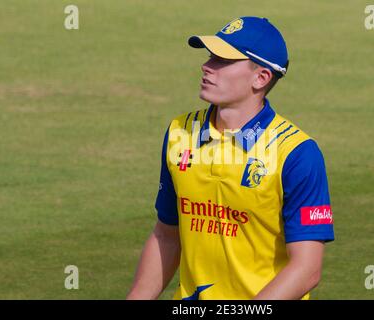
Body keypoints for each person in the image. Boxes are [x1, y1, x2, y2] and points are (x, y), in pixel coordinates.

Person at [127, 16, 334, 300]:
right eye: (211, 56)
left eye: (223, 61)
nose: (207, 67)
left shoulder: (297, 153)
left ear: (261, 77)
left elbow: (307, 268)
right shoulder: (180, 133)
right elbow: (166, 235)